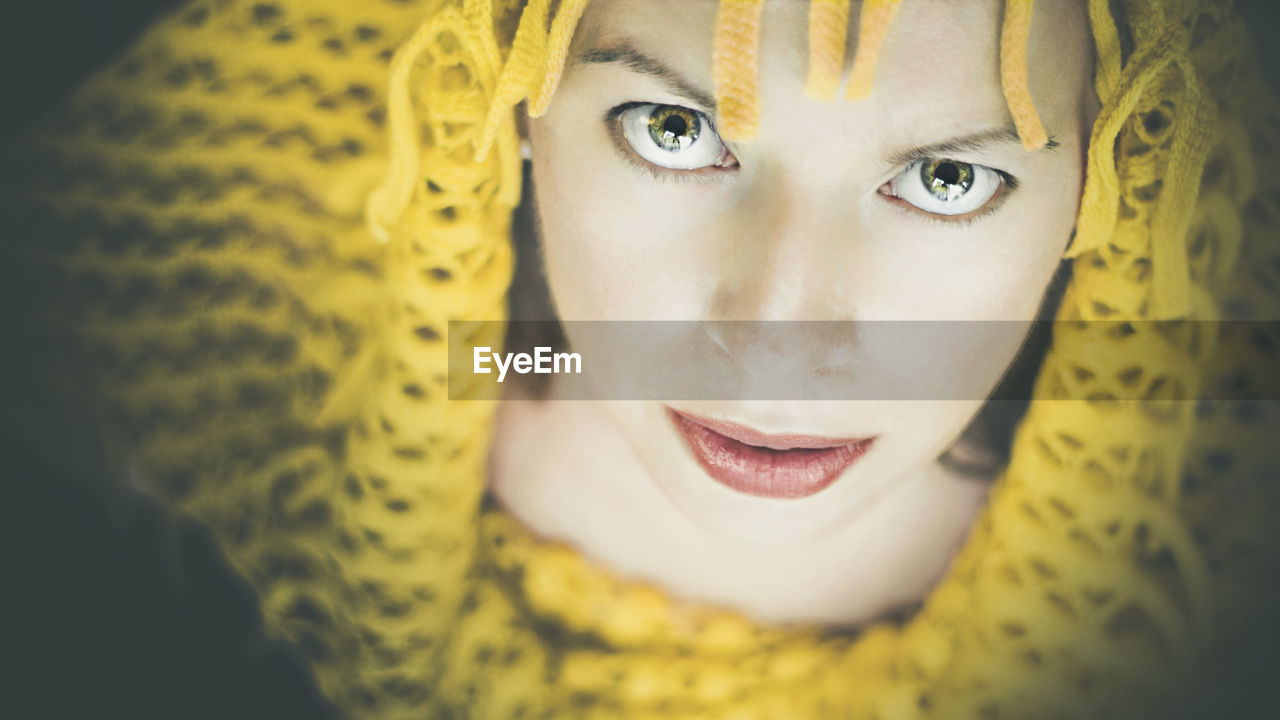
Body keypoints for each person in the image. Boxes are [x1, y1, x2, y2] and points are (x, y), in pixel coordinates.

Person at [1, 0, 1277, 718]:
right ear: (509, 109)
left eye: (947, 177)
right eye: (670, 128)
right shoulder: (308, 343)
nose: (775, 340)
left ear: (1114, 188)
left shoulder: (1227, 518)